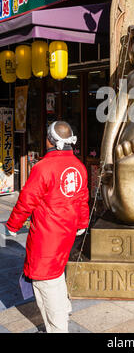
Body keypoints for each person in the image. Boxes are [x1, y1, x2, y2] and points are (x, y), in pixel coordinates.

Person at [5, 121, 90, 333]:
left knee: (45, 280)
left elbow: (27, 200)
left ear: (50, 141)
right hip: (67, 231)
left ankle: (58, 326)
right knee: (57, 272)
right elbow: (82, 199)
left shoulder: (43, 167)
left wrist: (13, 224)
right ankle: (64, 308)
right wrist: (82, 223)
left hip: (47, 234)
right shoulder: (78, 166)